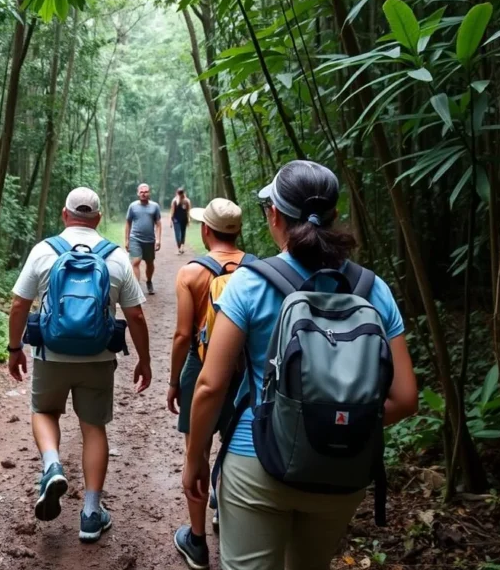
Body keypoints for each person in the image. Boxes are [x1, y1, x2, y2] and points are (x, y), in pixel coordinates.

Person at [182, 161, 419, 570]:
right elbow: (406, 398)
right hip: (341, 470)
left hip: (255, 460)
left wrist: (195, 458)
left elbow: (210, 386)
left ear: (274, 215)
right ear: (334, 216)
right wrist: (335, 425)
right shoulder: (370, 288)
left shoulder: (250, 283)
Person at [8, 187, 152, 543]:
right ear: (99, 218)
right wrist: (144, 361)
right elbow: (134, 313)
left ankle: (52, 464)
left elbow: (18, 305)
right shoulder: (115, 256)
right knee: (93, 428)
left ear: (64, 214)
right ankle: (90, 513)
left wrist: (14, 348)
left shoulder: (44, 251)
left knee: (44, 411)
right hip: (98, 358)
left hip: (50, 355)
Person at [167, 198, 251, 569]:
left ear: (205, 230)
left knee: (196, 452)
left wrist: (173, 382)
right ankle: (226, 516)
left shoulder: (191, 274)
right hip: (242, 373)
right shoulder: (259, 271)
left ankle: (197, 540)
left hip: (198, 370)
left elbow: (183, 335)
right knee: (234, 449)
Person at [125, 183, 162, 294]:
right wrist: (126, 240)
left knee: (150, 263)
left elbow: (158, 224)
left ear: (149, 193)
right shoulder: (133, 206)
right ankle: (136, 287)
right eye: (141, 192)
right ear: (138, 193)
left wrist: (158, 239)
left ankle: (149, 281)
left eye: (146, 192)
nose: (144, 194)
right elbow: (128, 222)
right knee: (136, 261)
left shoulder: (155, 206)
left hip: (150, 240)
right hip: (135, 238)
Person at [171, 188, 192, 255]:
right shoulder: (174, 201)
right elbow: (172, 211)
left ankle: (181, 247)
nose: (180, 194)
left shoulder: (187, 201)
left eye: (181, 193)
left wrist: (189, 219)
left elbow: (188, 211)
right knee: (178, 235)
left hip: (184, 219)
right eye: (179, 193)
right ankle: (180, 247)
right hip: (176, 220)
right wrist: (171, 221)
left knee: (183, 234)